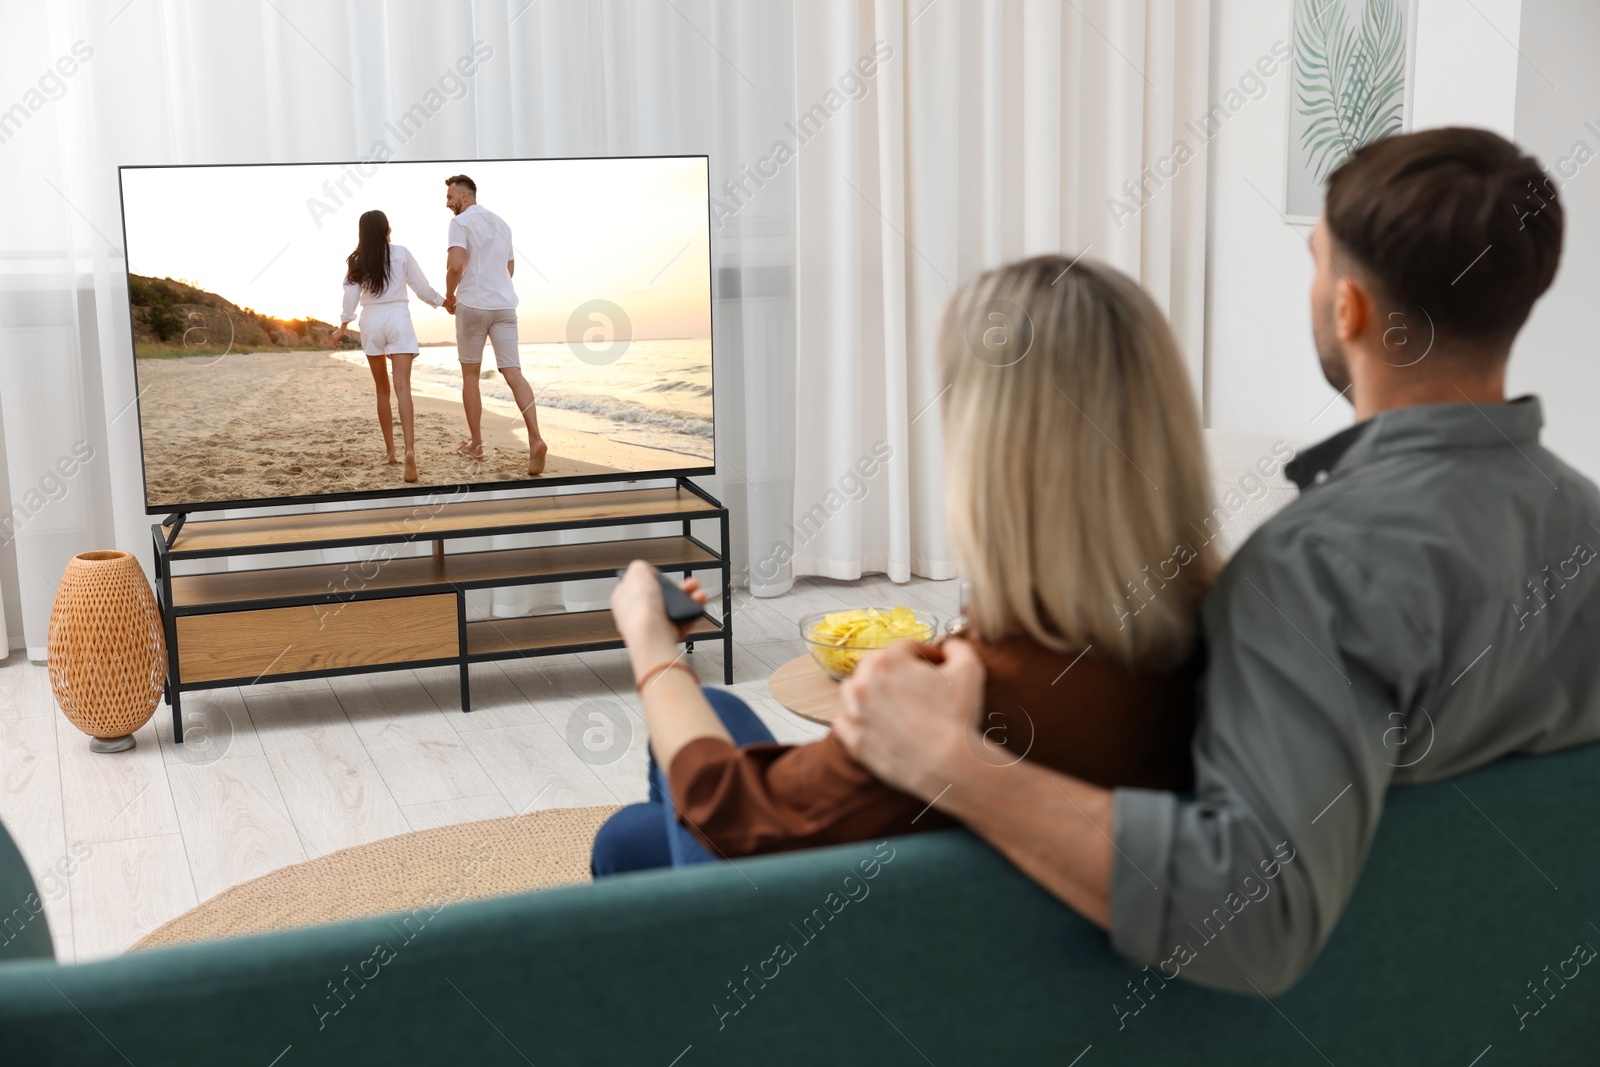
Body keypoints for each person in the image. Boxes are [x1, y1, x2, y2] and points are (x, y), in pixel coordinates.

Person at [831, 127, 1600, 996]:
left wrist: (953, 764)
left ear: (1346, 306)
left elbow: (1255, 918)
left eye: (1315, 260)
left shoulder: (1312, 571)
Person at [591, 255, 1222, 872]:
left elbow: (728, 813)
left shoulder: (967, 697)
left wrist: (652, 648)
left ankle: (688, 955)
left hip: (842, 938)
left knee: (629, 837)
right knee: (670, 786)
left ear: (991, 452)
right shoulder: (1217, 623)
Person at [441, 174, 549, 476]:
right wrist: (495, 287)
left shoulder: (459, 224)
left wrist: (450, 296)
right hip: (504, 305)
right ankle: (535, 438)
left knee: (471, 376)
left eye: (450, 198)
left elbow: (455, 265)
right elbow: (509, 268)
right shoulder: (502, 224)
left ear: (464, 196)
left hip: (473, 305)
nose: (447, 204)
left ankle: (476, 443)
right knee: (514, 373)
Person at [336, 209, 443, 484]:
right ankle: (410, 449)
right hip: (398, 317)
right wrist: (442, 302)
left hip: (370, 321)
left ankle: (391, 451)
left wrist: (343, 326)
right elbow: (421, 286)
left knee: (382, 391)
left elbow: (350, 298)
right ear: (386, 229)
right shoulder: (401, 253)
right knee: (403, 388)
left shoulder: (357, 260)